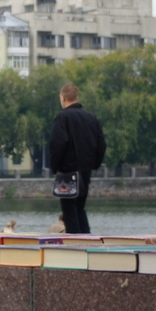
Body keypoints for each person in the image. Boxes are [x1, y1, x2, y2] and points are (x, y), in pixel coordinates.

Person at [48, 84, 106, 234]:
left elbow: (57, 144)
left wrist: (55, 167)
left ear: (63, 98)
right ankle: (88, 240)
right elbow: (101, 145)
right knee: (80, 207)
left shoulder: (63, 117)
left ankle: (75, 244)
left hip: (67, 172)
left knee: (69, 210)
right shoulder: (92, 118)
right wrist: (94, 164)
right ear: (77, 98)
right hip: (85, 172)